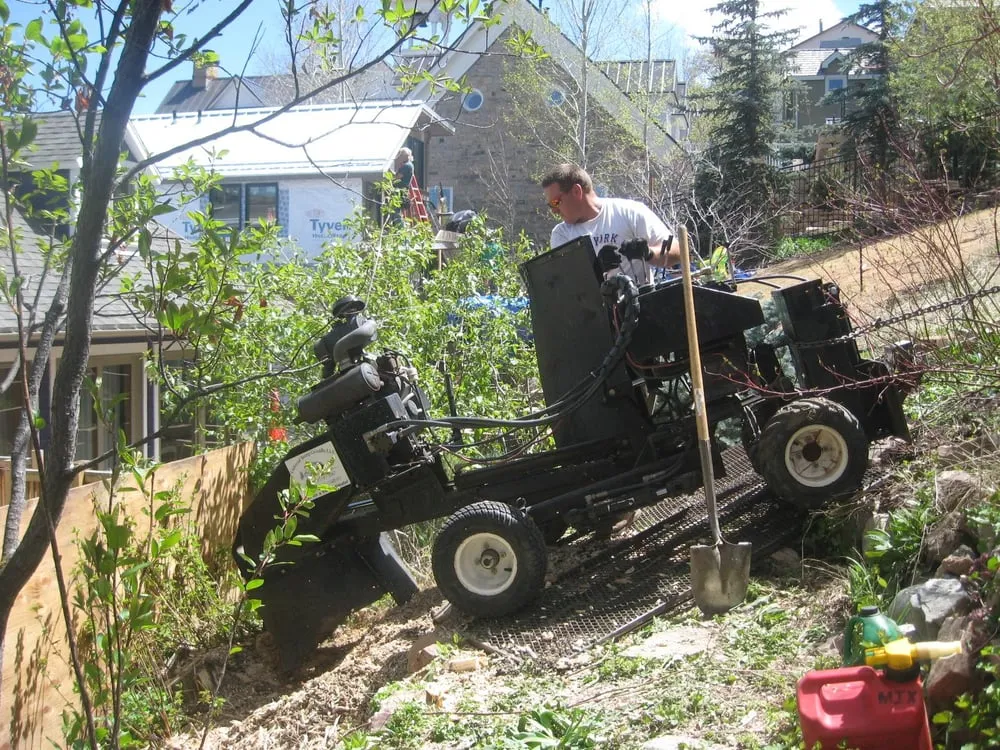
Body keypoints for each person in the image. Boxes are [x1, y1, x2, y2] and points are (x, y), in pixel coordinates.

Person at [541, 163, 680, 273]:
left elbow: (678, 251)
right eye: (550, 205)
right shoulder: (561, 235)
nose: (554, 210)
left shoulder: (629, 211)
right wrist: (597, 269)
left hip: (641, 306)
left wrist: (648, 253)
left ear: (577, 191)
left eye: (556, 202)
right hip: (594, 309)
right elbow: (568, 285)